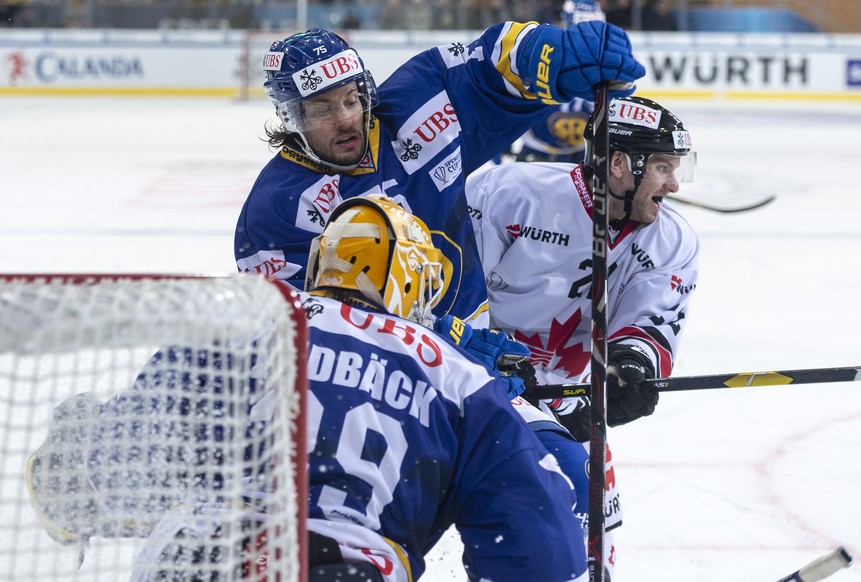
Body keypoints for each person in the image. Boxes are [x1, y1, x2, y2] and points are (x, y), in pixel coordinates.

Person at [26, 196, 590, 581]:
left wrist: (74, 454)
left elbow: (96, 472)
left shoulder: (244, 317)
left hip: (196, 554)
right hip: (348, 565)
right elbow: (541, 548)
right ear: (414, 282)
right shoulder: (456, 376)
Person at [234, 22, 645, 328]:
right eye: (323, 109)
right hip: (386, 384)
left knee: (558, 449)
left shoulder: (417, 104)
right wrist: (431, 337)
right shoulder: (275, 211)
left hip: (483, 354)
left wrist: (550, 54)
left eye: (351, 99)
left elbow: (488, 64)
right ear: (292, 117)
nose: (345, 119)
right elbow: (298, 330)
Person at [466, 95, 699, 439]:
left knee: (592, 487)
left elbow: (651, 321)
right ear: (619, 162)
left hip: (565, 399)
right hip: (473, 381)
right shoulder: (508, 194)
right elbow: (453, 294)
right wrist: (498, 361)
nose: (674, 185)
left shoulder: (673, 240)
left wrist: (632, 364)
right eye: (662, 167)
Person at [509, 0, 606, 164]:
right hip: (537, 152)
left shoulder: (611, 63)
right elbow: (516, 95)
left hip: (582, 155)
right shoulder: (543, 52)